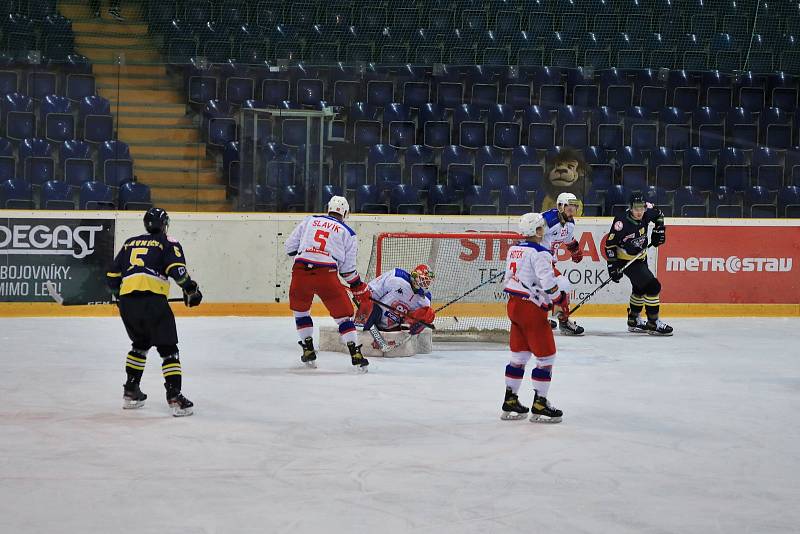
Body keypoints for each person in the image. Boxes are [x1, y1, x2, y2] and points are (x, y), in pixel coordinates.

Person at [106, 207, 202, 417]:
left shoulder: (130, 242)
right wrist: (190, 288)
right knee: (169, 349)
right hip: (153, 302)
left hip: (128, 302)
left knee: (139, 345)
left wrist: (120, 298)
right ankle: (175, 396)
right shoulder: (168, 242)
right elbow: (177, 270)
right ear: (164, 224)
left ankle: (131, 392)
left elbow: (112, 275)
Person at [284, 196, 371, 371]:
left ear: (328, 208)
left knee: (301, 311)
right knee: (343, 317)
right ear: (345, 213)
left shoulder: (310, 220)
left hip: (301, 270)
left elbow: (290, 248)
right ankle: (355, 353)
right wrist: (357, 286)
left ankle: (308, 349)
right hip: (327, 274)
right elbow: (347, 270)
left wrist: (309, 255)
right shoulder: (348, 232)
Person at [501, 212, 567, 423]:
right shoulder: (541, 253)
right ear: (536, 231)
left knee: (518, 356)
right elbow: (548, 282)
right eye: (540, 228)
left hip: (513, 306)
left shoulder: (513, 249)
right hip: (531, 309)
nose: (543, 231)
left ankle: (510, 399)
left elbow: (509, 277)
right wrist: (560, 298)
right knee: (546, 357)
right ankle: (540, 403)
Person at [605, 193, 673, 336]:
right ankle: (653, 323)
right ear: (630, 208)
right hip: (627, 260)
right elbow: (610, 245)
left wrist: (658, 229)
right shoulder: (621, 223)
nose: (639, 212)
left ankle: (634, 320)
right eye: (636, 209)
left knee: (640, 288)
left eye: (641, 208)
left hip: (641, 257)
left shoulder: (647, 211)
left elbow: (659, 214)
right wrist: (612, 266)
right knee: (653, 286)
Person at [541, 192, 585, 336]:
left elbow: (568, 239)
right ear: (560, 206)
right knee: (562, 284)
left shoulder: (570, 223)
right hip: (537, 262)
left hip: (547, 264)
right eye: (569, 205)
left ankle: (540, 319)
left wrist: (575, 250)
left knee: (547, 291)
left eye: (574, 205)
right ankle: (564, 322)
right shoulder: (548, 220)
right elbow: (529, 234)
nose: (572, 209)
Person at [356, 264, 436, 336]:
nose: (425, 285)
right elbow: (373, 291)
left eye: (428, 283)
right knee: (371, 306)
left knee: (427, 314)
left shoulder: (425, 299)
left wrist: (418, 323)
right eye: (424, 281)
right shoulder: (397, 277)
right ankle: (359, 331)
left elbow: (412, 319)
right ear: (415, 277)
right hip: (376, 317)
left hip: (394, 326)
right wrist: (365, 309)